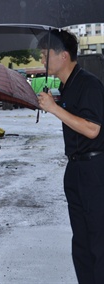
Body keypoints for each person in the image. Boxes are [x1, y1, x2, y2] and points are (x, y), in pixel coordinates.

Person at [37, 29, 104, 284]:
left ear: (63, 55)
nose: (42, 59)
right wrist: (56, 104)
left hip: (94, 170)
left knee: (98, 240)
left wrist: (54, 109)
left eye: (46, 54)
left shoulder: (88, 84)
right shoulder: (68, 86)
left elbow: (92, 128)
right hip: (76, 170)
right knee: (81, 242)